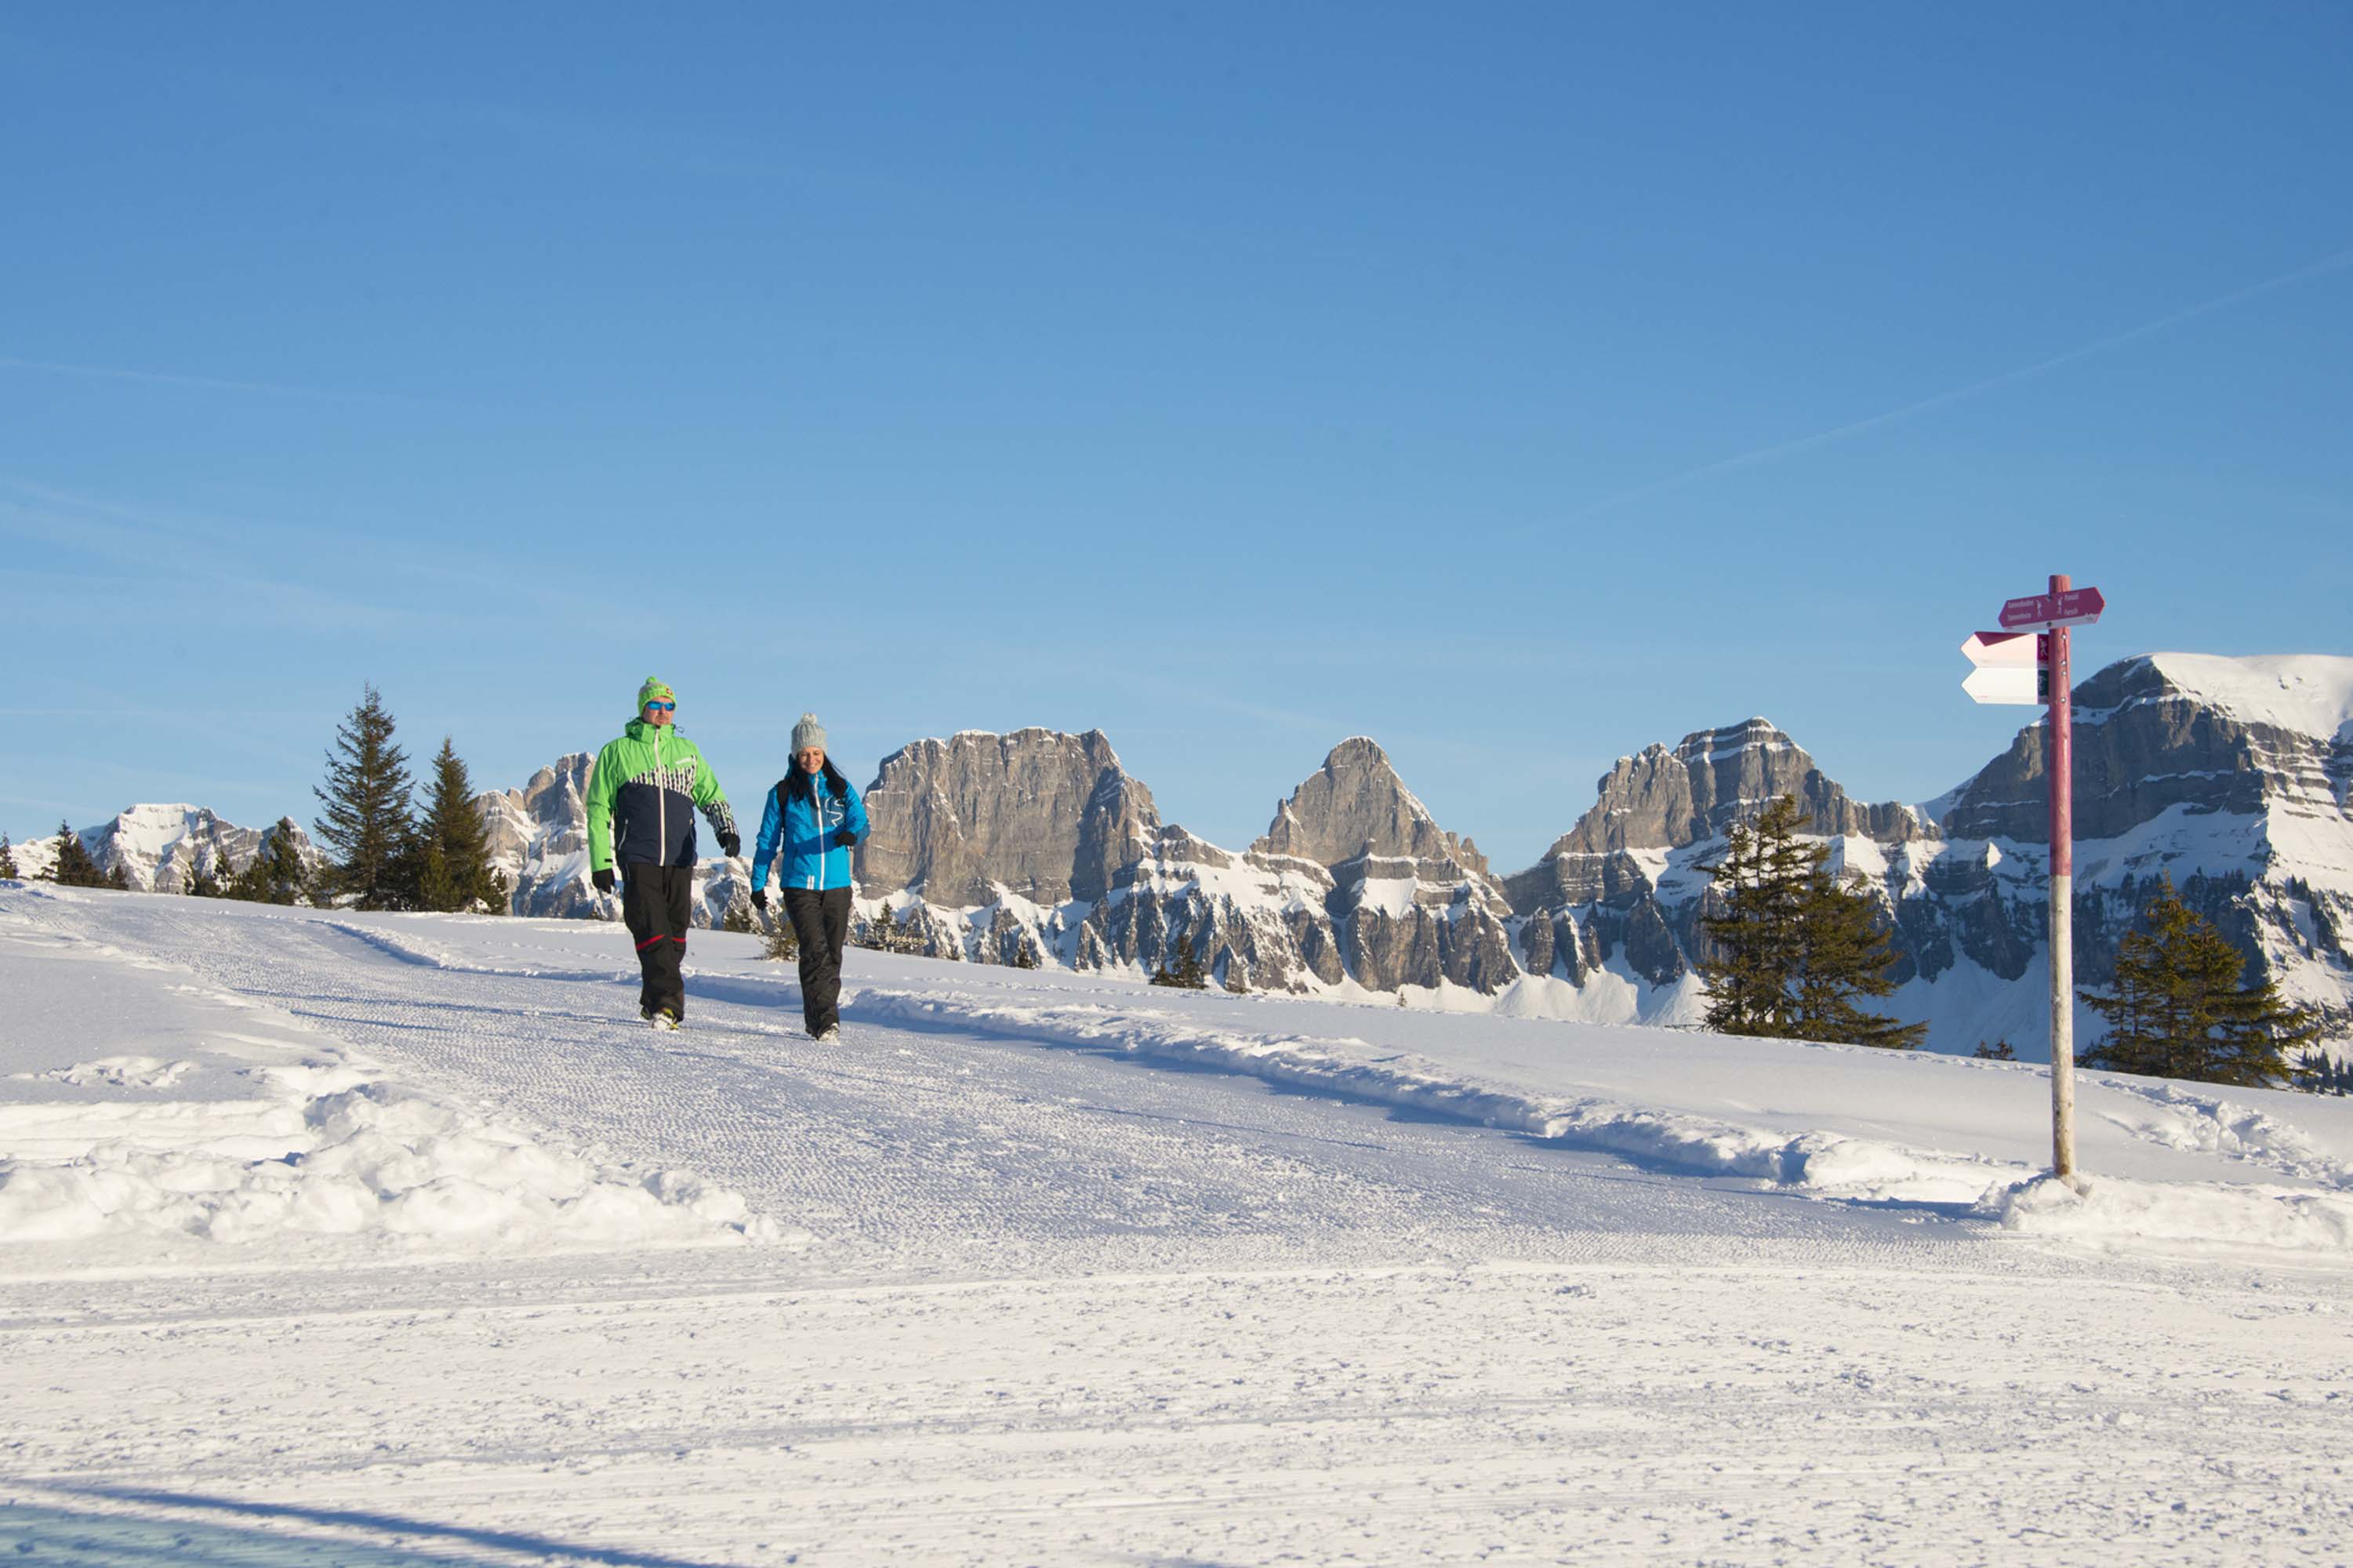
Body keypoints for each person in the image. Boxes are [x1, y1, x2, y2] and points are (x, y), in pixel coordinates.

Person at [585, 677, 739, 1029]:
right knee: (651, 929)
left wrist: (726, 828)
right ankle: (668, 1007)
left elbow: (711, 794)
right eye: (656, 705)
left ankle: (652, 998)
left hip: (681, 856)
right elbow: (597, 809)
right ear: (642, 708)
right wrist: (601, 861)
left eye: (669, 706)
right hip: (638, 854)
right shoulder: (617, 751)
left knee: (676, 936)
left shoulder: (687, 750)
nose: (663, 713)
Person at [750, 713, 869, 1041]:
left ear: (824, 753)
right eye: (805, 754)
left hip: (837, 886)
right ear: (794, 755)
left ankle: (815, 1017)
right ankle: (826, 1022)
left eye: (816, 753)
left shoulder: (841, 789)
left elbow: (862, 821)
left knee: (832, 954)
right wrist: (757, 883)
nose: (811, 759)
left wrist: (852, 835)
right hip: (799, 885)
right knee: (814, 952)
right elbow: (766, 841)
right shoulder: (782, 794)